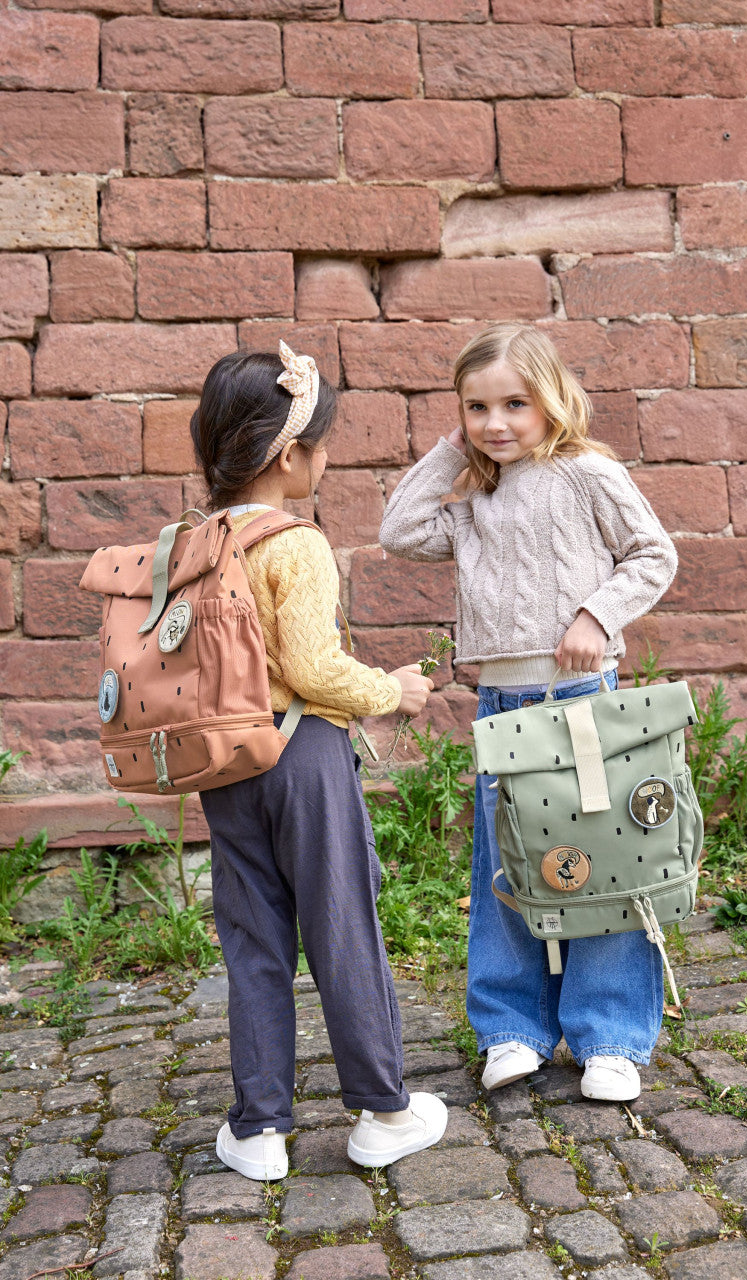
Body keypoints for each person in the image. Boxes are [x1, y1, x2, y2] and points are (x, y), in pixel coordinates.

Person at [380, 324, 678, 1103]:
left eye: (515, 402)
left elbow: (652, 553)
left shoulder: (585, 474)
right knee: (507, 867)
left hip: (581, 697)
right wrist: (453, 448)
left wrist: (594, 615)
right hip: (502, 705)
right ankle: (511, 1029)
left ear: (552, 399)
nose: (496, 422)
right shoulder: (476, 493)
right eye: (477, 406)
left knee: (605, 863)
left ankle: (610, 1033)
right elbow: (399, 530)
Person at [190, 342, 448, 1180]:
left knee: (254, 938)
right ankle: (384, 1111)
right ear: (287, 454)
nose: (326, 458)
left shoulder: (197, 543)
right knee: (341, 925)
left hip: (225, 762)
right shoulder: (293, 544)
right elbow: (314, 670)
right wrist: (394, 689)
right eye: (321, 444)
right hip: (301, 751)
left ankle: (259, 1128)